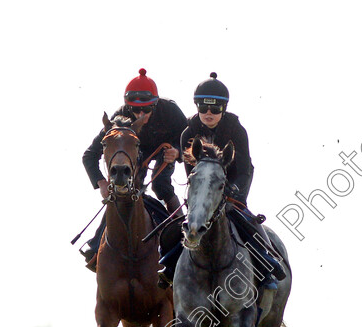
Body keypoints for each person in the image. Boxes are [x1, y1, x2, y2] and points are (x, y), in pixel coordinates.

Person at [159, 72, 286, 289]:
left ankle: (265, 264)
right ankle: (170, 266)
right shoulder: (188, 132)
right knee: (181, 225)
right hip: (202, 188)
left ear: (223, 109)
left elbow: (245, 169)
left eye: (215, 109)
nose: (208, 113)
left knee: (244, 220)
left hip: (235, 183)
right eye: (203, 107)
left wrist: (233, 191)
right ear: (196, 106)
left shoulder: (237, 130)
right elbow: (192, 174)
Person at [80, 69, 187, 270]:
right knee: (123, 191)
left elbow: (190, 138)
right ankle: (96, 245)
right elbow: (89, 155)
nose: (140, 115)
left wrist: (178, 152)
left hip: (164, 152)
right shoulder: (119, 116)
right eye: (135, 110)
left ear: (155, 104)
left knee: (160, 185)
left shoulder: (171, 111)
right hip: (133, 157)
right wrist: (101, 183)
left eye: (146, 110)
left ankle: (181, 228)